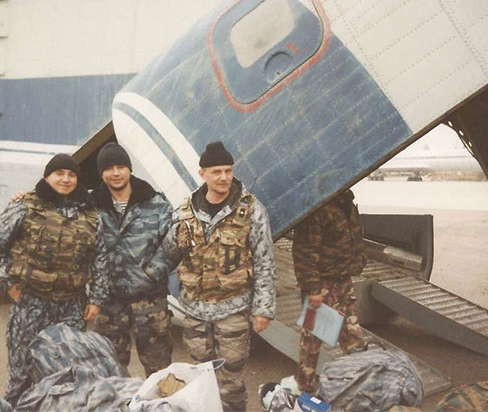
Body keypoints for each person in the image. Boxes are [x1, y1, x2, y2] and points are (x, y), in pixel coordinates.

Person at [145, 141, 277, 412]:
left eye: (228, 171)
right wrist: (143, 282)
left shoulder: (251, 211)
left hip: (233, 309)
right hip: (195, 311)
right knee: (199, 377)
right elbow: (168, 253)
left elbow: (264, 261)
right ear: (202, 174)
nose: (224, 177)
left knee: (231, 379)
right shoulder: (185, 212)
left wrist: (263, 309)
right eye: (217, 172)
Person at [0, 154, 110, 405]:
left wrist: (96, 299)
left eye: (71, 175)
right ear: (47, 177)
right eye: (59, 173)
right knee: (22, 376)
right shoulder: (25, 206)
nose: (66, 179)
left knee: (66, 375)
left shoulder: (91, 214)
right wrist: (8, 284)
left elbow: (100, 259)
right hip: (31, 303)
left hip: (72, 306)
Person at [90, 142, 173, 376]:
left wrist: (151, 273)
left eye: (120, 167)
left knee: (159, 372)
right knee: (108, 371)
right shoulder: (90, 206)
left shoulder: (156, 203)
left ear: (129, 169)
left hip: (150, 301)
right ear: (101, 173)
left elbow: (173, 246)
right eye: (108, 168)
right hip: (109, 303)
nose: (115, 173)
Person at [291, 189, 370, 394]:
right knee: (312, 341)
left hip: (344, 281)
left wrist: (359, 261)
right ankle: (305, 387)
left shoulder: (347, 202)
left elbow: (356, 237)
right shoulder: (317, 209)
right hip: (322, 285)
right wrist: (313, 289)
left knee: (354, 337)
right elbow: (304, 252)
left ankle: (359, 387)